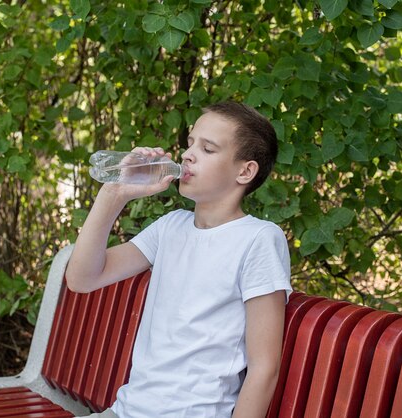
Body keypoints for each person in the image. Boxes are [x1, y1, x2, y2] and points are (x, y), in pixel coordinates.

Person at [65, 101, 292, 418]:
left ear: (245, 171)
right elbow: (82, 279)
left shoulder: (258, 239)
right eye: (190, 144)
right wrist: (115, 193)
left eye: (208, 149)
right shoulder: (170, 227)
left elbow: (264, 367)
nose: (188, 155)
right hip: (126, 412)